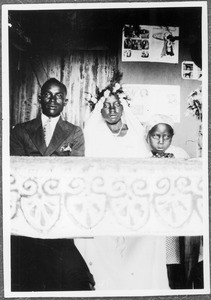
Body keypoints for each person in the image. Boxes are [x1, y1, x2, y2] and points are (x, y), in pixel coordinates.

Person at [75, 77, 169, 290]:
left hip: (132, 198)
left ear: (123, 106)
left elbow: (146, 166)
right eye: (106, 106)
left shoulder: (136, 135)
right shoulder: (92, 134)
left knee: (144, 236)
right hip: (103, 198)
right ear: (99, 109)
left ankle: (136, 283)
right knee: (99, 240)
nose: (111, 109)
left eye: (116, 104)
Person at [10, 78, 95, 291]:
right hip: (28, 205)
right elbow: (18, 171)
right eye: (48, 94)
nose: (52, 100)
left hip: (60, 204)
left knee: (63, 264)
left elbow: (74, 171)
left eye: (58, 96)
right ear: (40, 98)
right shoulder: (20, 131)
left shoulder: (74, 132)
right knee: (30, 262)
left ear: (65, 101)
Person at [145, 114, 203, 289]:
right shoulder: (142, 156)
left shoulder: (180, 154)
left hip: (176, 215)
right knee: (157, 259)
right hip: (154, 215)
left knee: (178, 257)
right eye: (156, 136)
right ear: (148, 136)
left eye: (166, 137)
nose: (161, 141)